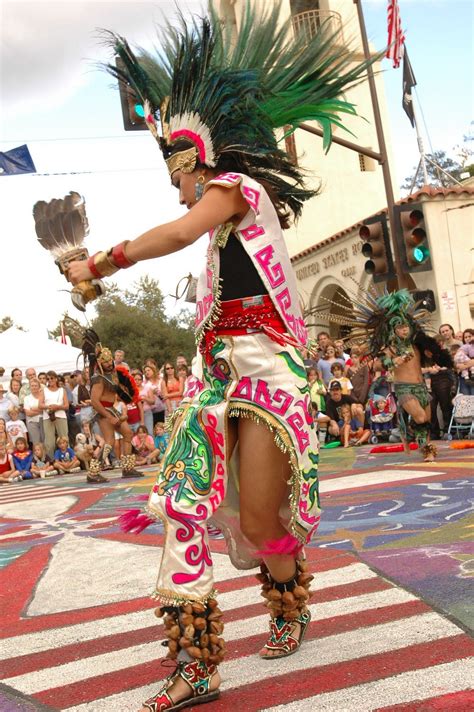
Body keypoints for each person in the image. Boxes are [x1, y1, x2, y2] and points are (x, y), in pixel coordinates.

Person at [67, 6, 374, 709]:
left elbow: (176, 231)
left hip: (268, 378)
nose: (177, 190)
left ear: (196, 161)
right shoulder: (217, 240)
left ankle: (289, 600)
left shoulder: (238, 193)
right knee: (182, 503)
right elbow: (187, 238)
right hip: (217, 382)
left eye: (178, 175)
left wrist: (105, 260)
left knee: (263, 524)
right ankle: (195, 663)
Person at [81, 330, 144, 483]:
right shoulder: (98, 379)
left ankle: (128, 468)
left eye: (110, 361)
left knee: (128, 434)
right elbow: (95, 401)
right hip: (103, 411)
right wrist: (109, 416)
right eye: (106, 361)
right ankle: (93, 472)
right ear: (100, 363)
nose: (109, 363)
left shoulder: (112, 374)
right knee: (109, 441)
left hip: (111, 409)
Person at [38, 371, 69, 458]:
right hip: (48, 417)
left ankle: (67, 459)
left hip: (61, 416)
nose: (50, 380)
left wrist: (57, 407)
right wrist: (49, 407)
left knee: (64, 439)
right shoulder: (44, 390)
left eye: (52, 378)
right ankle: (51, 461)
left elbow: (66, 406)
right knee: (49, 442)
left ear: (56, 379)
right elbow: (40, 405)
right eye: (48, 379)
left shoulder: (62, 390)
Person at [132, 370, 155, 435]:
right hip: (136, 414)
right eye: (135, 379)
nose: (137, 381)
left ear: (142, 380)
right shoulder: (131, 390)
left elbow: (153, 401)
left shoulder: (147, 388)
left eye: (139, 379)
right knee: (138, 433)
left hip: (147, 412)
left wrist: (145, 398)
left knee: (149, 432)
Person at [23, 378, 44, 445]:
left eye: (35, 385)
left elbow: (46, 409)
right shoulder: (27, 398)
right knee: (36, 442)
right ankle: (37, 456)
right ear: (30, 387)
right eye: (32, 386)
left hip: (43, 420)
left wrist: (33, 409)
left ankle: (46, 455)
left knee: (45, 441)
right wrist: (40, 410)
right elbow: (28, 413)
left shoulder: (43, 397)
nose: (34, 387)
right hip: (32, 422)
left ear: (39, 386)